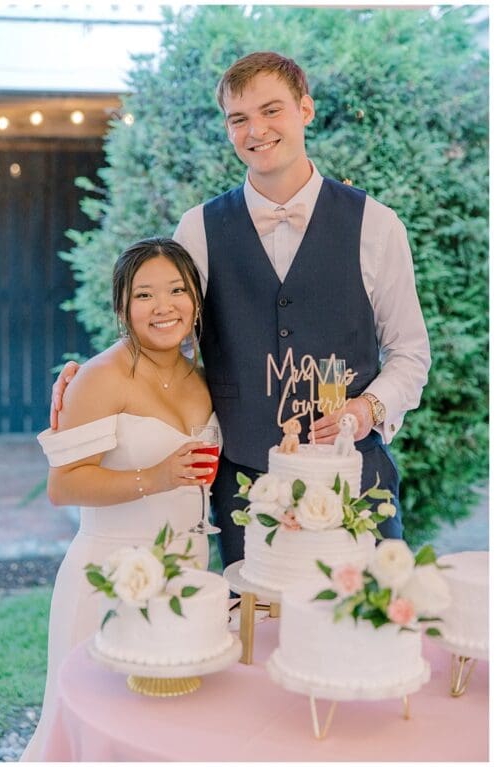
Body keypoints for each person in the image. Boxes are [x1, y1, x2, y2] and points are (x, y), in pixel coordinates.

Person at [52, 52, 430, 568]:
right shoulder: (199, 229)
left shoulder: (376, 225)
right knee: (249, 638)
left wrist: (368, 409)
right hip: (242, 484)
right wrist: (90, 376)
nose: (257, 130)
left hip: (353, 475)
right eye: (239, 119)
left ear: (305, 109)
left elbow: (410, 352)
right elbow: (165, 333)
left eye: (272, 110)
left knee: (365, 629)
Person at [23, 238, 218, 760]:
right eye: (145, 295)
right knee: (103, 737)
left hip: (187, 574)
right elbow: (63, 485)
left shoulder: (204, 378)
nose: (164, 307)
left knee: (167, 735)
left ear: (196, 301)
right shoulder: (98, 377)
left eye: (178, 291)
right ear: (122, 306)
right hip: (108, 578)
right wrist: (153, 477)